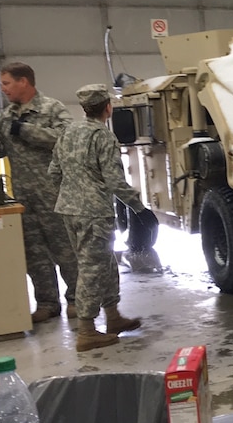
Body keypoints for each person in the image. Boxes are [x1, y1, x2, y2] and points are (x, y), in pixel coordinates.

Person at [48, 84, 157, 351]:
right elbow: (115, 181)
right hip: (94, 213)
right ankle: (86, 332)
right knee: (91, 268)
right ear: (107, 107)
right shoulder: (103, 137)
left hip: (69, 211)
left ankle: (113, 317)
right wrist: (139, 208)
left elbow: (53, 174)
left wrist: (72, 194)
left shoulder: (67, 132)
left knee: (105, 262)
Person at [0, 62, 79, 324]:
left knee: (64, 247)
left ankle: (77, 300)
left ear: (24, 81)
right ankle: (47, 303)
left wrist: (26, 130)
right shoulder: (8, 114)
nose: (3, 90)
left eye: (6, 83)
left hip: (52, 192)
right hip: (23, 195)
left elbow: (66, 140)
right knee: (33, 251)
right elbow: (3, 143)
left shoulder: (52, 108)